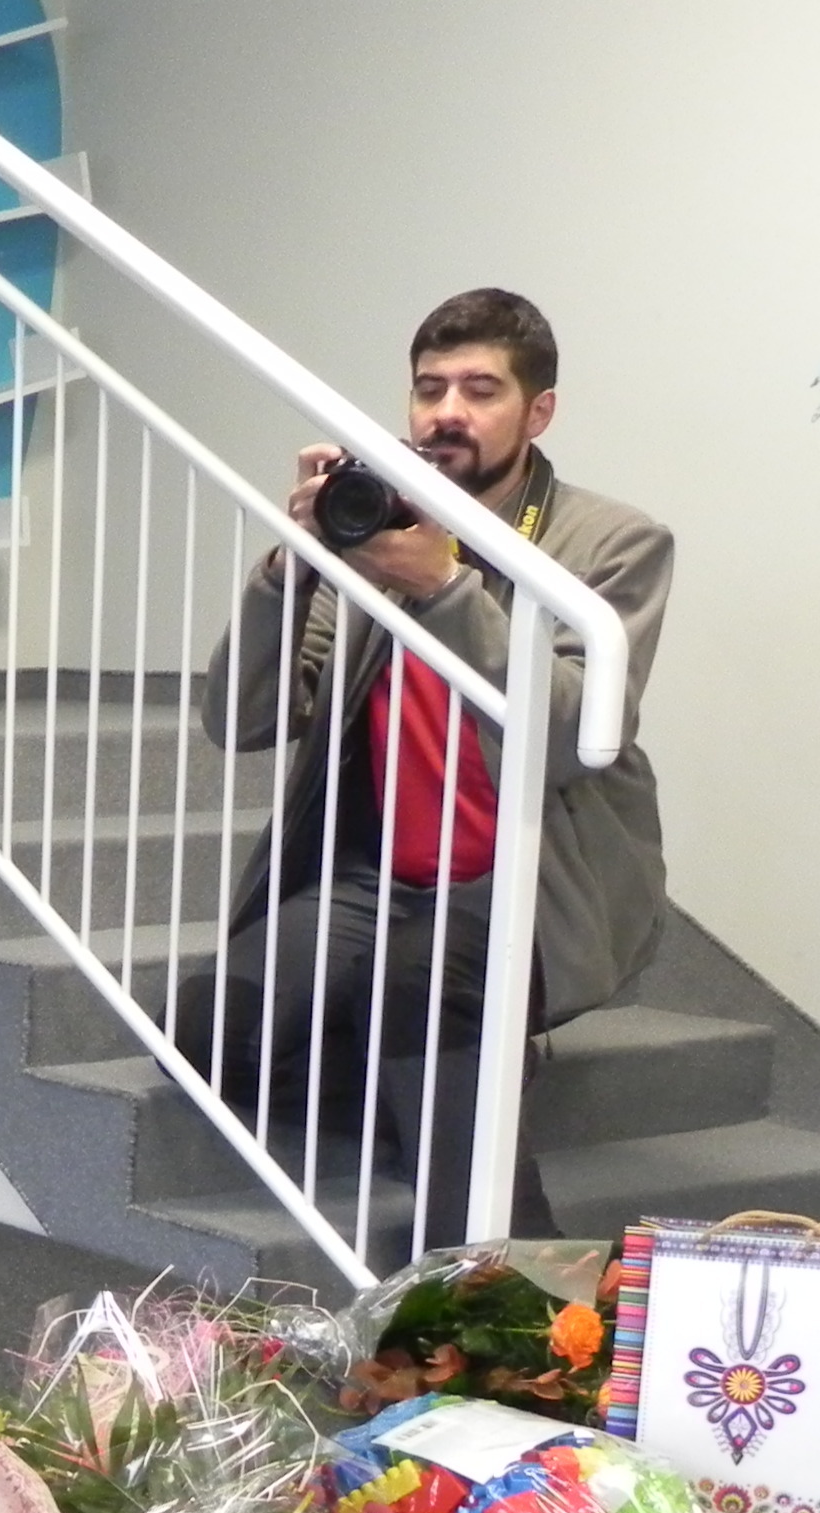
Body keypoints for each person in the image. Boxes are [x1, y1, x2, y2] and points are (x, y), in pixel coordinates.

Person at [196, 287, 675, 1247]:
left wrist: (447, 584)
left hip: (527, 877)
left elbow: (576, 735)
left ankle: (510, 1270)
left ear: (538, 412)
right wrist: (293, 568)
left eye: (480, 390)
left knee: (420, 989)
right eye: (429, 389)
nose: (447, 412)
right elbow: (238, 721)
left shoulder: (612, 544)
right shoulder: (373, 527)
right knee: (209, 1031)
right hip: (377, 877)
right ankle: (423, 1092)